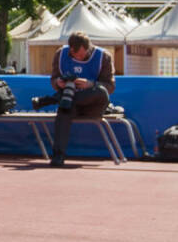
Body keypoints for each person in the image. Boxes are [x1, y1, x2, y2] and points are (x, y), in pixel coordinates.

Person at [32, 31, 115, 167]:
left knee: (100, 91)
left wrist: (90, 84)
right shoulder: (60, 54)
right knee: (64, 111)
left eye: (82, 55)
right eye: (75, 55)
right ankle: (58, 156)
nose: (79, 58)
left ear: (88, 48)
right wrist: (58, 83)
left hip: (93, 104)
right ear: (70, 49)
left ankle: (51, 99)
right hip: (70, 102)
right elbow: (54, 79)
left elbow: (110, 87)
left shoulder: (103, 56)